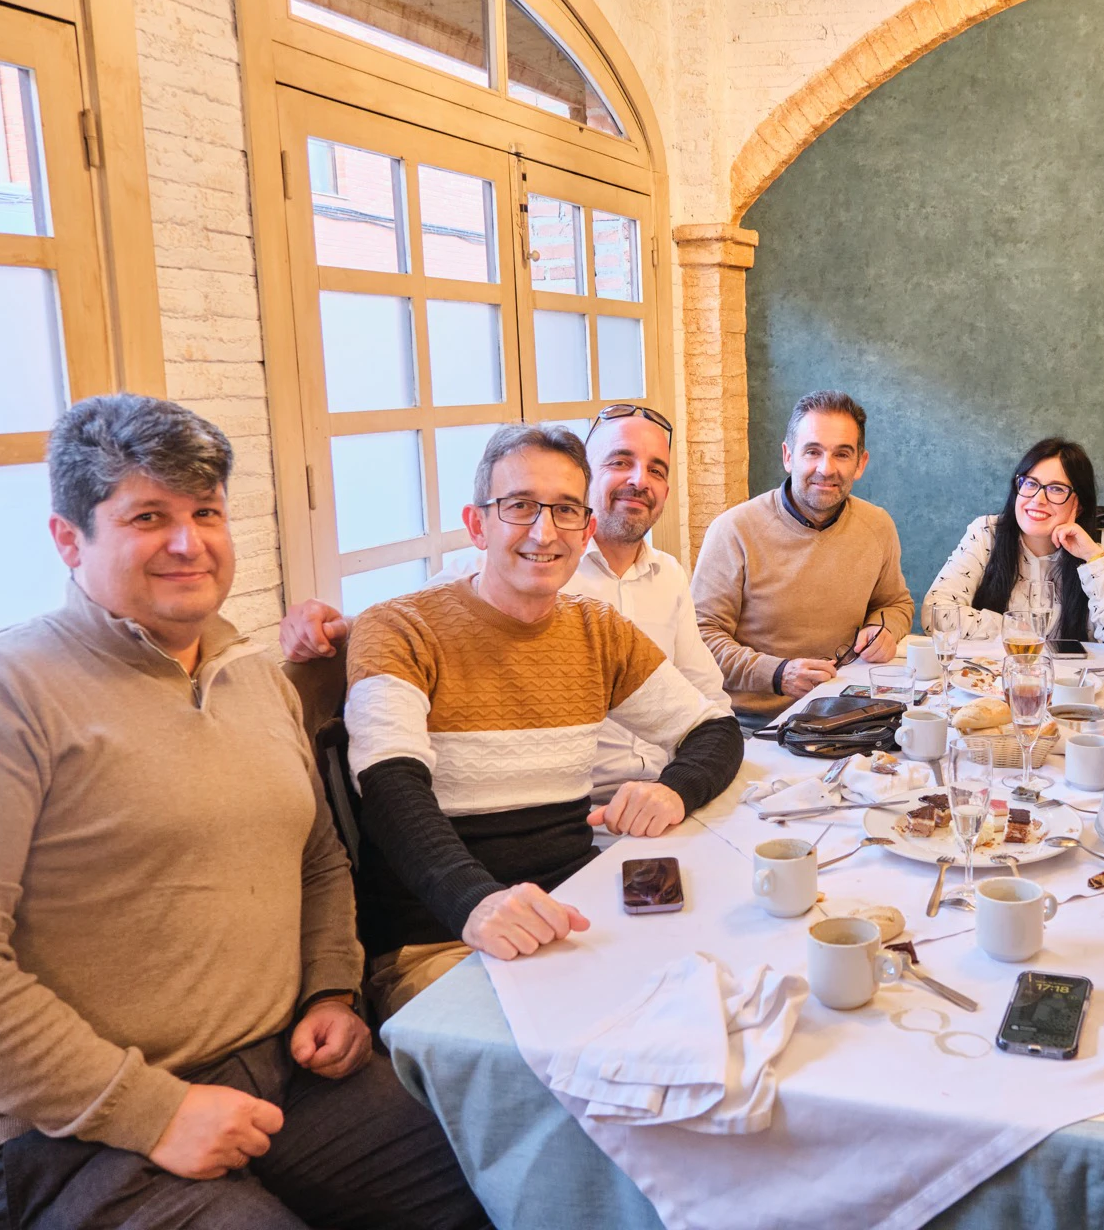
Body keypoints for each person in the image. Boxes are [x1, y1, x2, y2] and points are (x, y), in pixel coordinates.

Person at [0, 395, 487, 1230]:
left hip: (279, 1072)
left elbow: (317, 857)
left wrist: (331, 991)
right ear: (68, 539)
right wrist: (154, 1112)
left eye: (205, 512)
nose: (188, 542)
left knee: (502, 1184)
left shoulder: (251, 676)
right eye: (148, 517)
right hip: (52, 1134)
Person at [345, 424, 742, 1018]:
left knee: (725, 997)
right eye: (520, 506)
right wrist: (476, 902)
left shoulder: (597, 630)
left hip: (577, 912)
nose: (544, 532)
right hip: (444, 937)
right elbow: (388, 787)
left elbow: (714, 729)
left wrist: (673, 791)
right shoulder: (400, 630)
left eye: (565, 511)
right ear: (477, 524)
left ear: (586, 530)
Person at [281, 402, 730, 800]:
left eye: (657, 470)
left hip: (658, 798)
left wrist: (691, 782)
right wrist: (335, 626)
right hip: (576, 808)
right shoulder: (516, 564)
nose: (639, 480)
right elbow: (420, 618)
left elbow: (706, 698)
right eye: (621, 461)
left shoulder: (667, 576)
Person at [690, 390, 916, 723]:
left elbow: (896, 604)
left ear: (860, 464)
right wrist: (777, 673)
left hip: (848, 712)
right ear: (788, 456)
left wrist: (882, 629)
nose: (826, 468)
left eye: (842, 454)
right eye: (812, 451)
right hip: (752, 723)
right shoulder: (734, 530)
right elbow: (700, 636)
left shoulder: (878, 525)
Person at [921, 437, 1104, 645]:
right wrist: (1012, 629)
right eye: (1030, 483)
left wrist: (1093, 557)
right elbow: (935, 613)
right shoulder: (986, 533)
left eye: (1056, 489)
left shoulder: (1094, 556)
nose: (1038, 499)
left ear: (1079, 505)